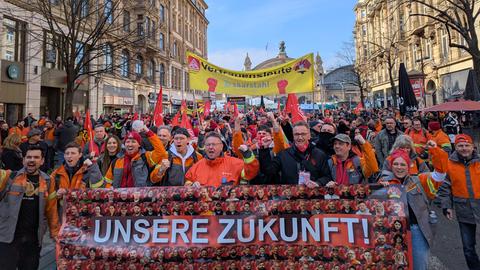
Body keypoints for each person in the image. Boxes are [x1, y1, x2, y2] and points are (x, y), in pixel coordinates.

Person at [379, 141, 448, 270]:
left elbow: (440, 175)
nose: (399, 167)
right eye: (396, 164)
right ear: (391, 166)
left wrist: (436, 151)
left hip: (416, 231)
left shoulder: (420, 180)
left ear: (409, 166)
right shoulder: (383, 183)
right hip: (391, 233)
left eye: (403, 164)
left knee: (419, 265)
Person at [0, 145, 59, 270]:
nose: (32, 160)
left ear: (42, 161)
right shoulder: (9, 177)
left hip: (33, 238)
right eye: (29, 157)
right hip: (8, 236)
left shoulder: (48, 181)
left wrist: (55, 233)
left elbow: (51, 209)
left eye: (36, 157)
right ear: (23, 160)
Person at [436, 134, 480, 270]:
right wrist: (446, 206)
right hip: (464, 211)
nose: (464, 148)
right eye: (461, 146)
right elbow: (444, 188)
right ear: (456, 147)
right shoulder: (449, 164)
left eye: (467, 145)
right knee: (468, 247)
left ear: (473, 147)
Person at [259, 121, 331, 186]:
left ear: (309, 135)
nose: (300, 137)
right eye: (296, 134)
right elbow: (268, 171)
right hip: (290, 197)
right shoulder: (283, 154)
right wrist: (264, 149)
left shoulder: (319, 154)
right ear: (293, 136)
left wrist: (318, 183)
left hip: (312, 197)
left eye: (303, 134)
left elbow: (327, 177)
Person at [184, 131, 259, 187]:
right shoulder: (197, 167)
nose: (210, 147)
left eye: (214, 144)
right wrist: (191, 186)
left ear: (221, 147)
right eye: (208, 145)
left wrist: (248, 155)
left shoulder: (235, 163)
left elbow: (250, 173)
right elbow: (187, 182)